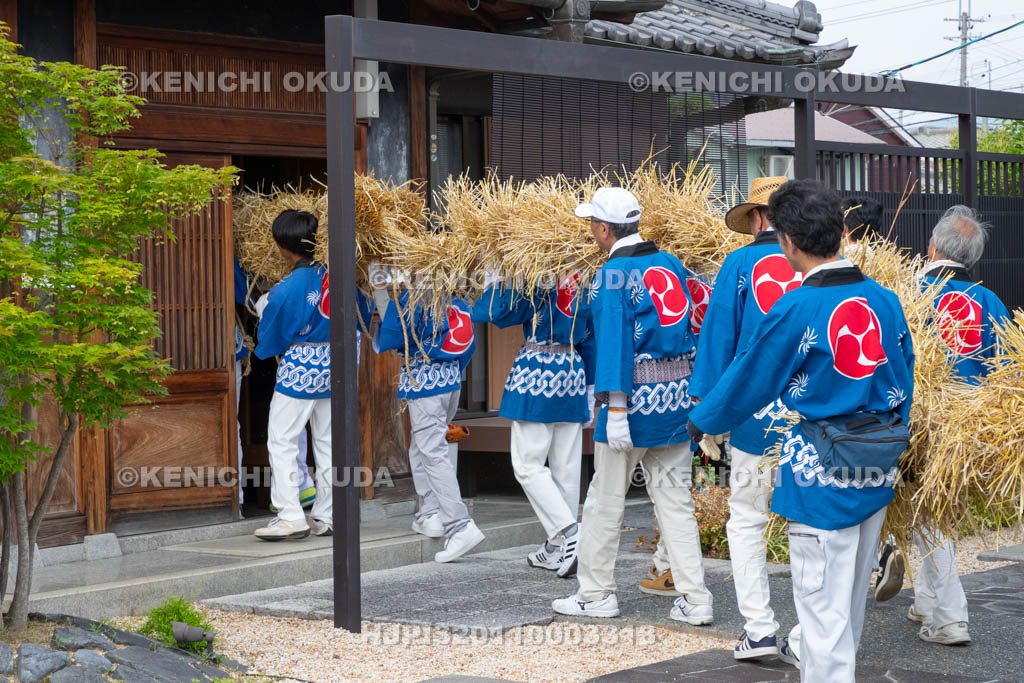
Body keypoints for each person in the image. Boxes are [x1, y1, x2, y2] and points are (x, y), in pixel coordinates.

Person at [687, 179, 916, 682]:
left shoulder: (796, 307)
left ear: (787, 240)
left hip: (821, 468)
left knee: (820, 606)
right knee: (847, 603)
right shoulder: (884, 297)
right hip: (876, 461)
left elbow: (751, 378)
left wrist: (703, 420)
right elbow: (906, 378)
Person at [551, 187, 714, 625]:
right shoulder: (670, 263)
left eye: (592, 225)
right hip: (676, 400)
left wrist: (617, 409)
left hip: (633, 403)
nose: (590, 231)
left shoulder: (613, 274)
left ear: (604, 229)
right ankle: (696, 599)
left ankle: (596, 594)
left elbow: (614, 346)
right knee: (675, 501)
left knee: (605, 501)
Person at [873, 205, 1011, 646]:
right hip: (967, 422)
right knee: (930, 512)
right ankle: (929, 602)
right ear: (972, 258)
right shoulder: (989, 301)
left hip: (915, 417)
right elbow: (1006, 368)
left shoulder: (907, 291)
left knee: (925, 514)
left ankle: (949, 616)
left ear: (931, 246)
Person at [688, 175, 794, 660]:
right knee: (809, 526)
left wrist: (707, 413)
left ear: (756, 216)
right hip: (813, 416)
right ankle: (812, 632)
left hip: (755, 415)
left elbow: (717, 345)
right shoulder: (820, 266)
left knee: (748, 518)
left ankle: (760, 629)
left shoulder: (739, 263)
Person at [252, 210, 372, 540]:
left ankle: (291, 515)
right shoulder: (341, 275)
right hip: (339, 363)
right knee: (329, 441)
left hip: (302, 368)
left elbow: (271, 336)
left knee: (282, 438)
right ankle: (329, 514)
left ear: (280, 246)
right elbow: (365, 311)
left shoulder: (286, 288)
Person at [472, 273, 592, 577]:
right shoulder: (585, 271)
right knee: (566, 467)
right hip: (574, 367)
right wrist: (592, 386)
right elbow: (593, 331)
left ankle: (568, 533)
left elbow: (496, 313)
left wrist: (495, 277)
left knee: (527, 465)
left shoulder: (537, 272)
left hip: (539, 367)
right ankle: (556, 548)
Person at [370, 265, 485, 563]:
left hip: (425, 383)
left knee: (432, 451)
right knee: (423, 447)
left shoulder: (415, 297)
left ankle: (459, 525)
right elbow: (468, 345)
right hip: (450, 382)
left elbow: (395, 334)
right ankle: (430, 512)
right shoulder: (456, 297)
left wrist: (380, 291)